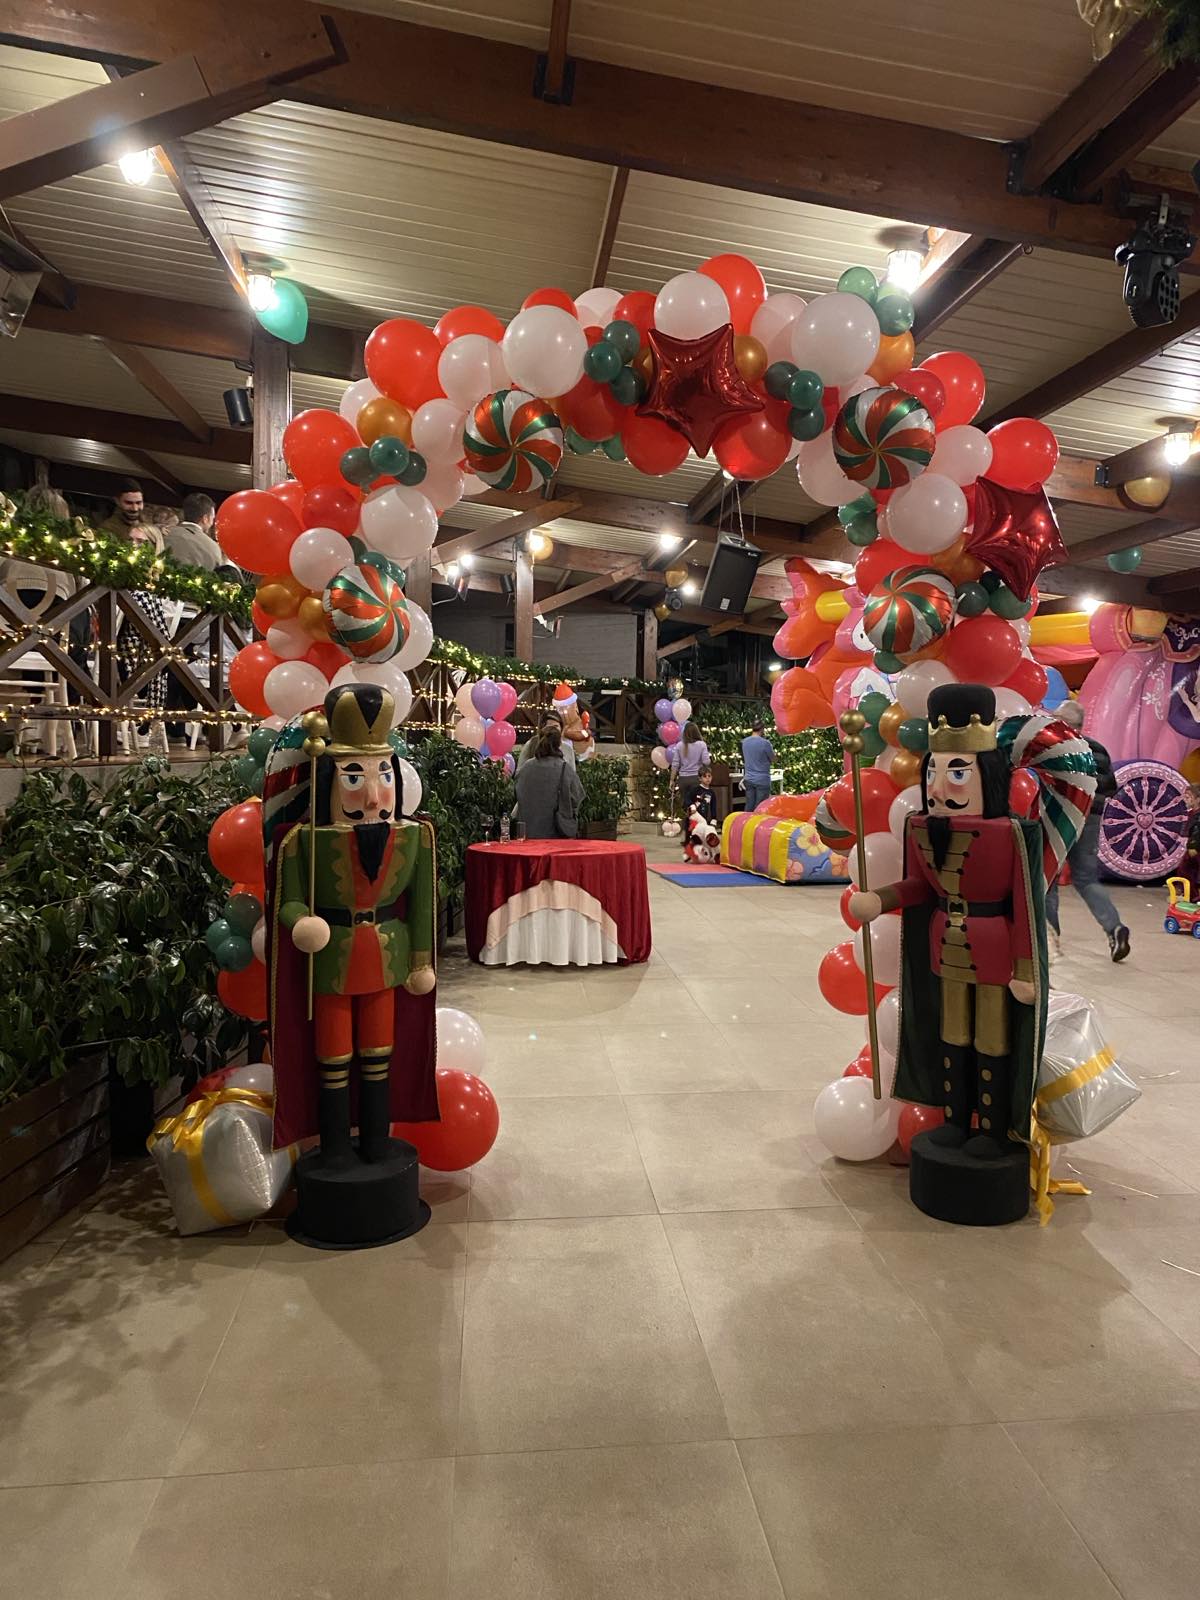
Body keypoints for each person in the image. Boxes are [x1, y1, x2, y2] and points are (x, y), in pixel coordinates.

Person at [1045, 700, 1129, 962]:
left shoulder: (1054, 748)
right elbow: (1110, 787)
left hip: (1060, 816)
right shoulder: (1098, 749)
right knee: (1086, 879)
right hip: (1090, 818)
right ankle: (1114, 928)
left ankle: (1050, 941)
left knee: (1048, 879)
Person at [514, 722, 583, 840]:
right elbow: (578, 796)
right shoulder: (565, 769)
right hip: (556, 833)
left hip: (528, 832)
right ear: (559, 744)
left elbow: (516, 793)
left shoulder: (526, 767)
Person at [166, 492, 225, 572]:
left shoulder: (163, 533)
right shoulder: (213, 547)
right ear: (205, 519)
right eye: (212, 518)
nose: (212, 523)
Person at [669, 720, 710, 812]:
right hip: (697, 779)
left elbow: (675, 764)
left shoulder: (679, 745)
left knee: (686, 806)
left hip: (683, 780)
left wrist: (672, 780)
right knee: (698, 806)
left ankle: (687, 820)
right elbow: (706, 762)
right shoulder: (701, 745)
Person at [741, 720, 774, 813]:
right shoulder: (765, 743)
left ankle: (746, 821)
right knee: (760, 808)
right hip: (762, 779)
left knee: (749, 805)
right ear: (762, 729)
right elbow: (773, 758)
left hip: (749, 778)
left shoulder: (744, 742)